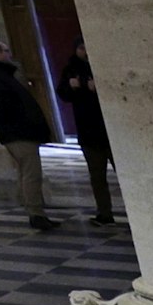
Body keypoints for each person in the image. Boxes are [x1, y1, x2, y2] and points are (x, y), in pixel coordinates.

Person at [0, 38, 58, 230]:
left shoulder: (3, 73)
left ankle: (35, 212)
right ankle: (36, 214)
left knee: (27, 172)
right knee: (31, 173)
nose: (9, 54)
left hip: (20, 131)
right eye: (6, 51)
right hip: (18, 132)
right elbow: (7, 105)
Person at [58, 48, 117, 225]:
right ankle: (105, 213)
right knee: (97, 177)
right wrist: (72, 86)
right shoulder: (70, 69)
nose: (85, 51)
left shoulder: (103, 65)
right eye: (81, 48)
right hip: (89, 133)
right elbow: (63, 93)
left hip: (110, 131)